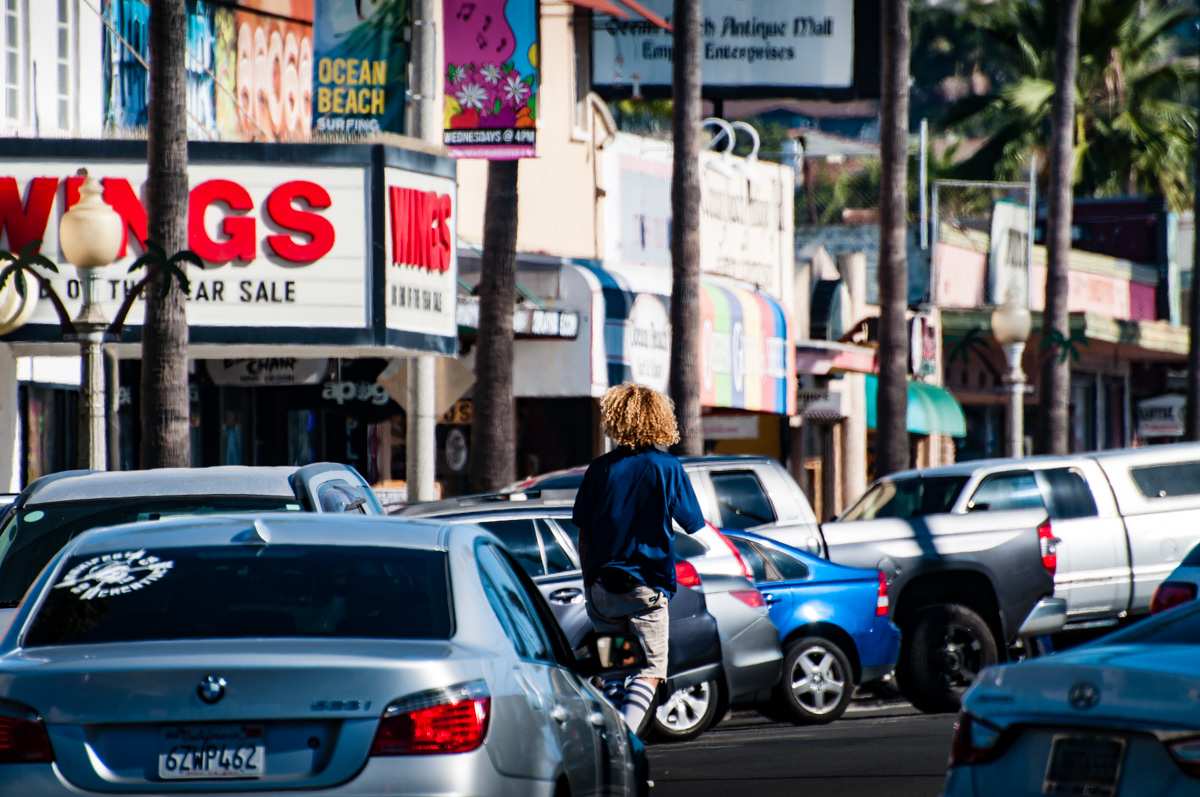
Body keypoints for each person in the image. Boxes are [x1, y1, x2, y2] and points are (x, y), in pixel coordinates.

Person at [572, 383, 706, 735]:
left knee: (614, 674)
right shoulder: (666, 467)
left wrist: (590, 583)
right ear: (660, 419)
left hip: (603, 589)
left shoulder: (599, 469)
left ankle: (611, 740)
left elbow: (584, 533)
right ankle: (626, 744)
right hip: (646, 587)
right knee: (649, 673)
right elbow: (693, 522)